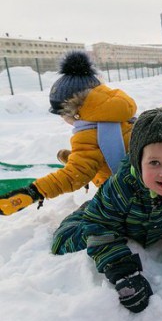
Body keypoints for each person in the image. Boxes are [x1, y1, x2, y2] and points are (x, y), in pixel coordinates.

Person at [51, 108, 162, 313]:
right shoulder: (122, 186)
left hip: (149, 221)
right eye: (154, 162)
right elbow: (100, 227)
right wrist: (123, 271)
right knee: (64, 242)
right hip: (112, 218)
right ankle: (89, 208)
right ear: (138, 161)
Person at [0, 51, 136, 216]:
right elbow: (104, 154)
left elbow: (75, 176)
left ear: (75, 111)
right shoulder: (119, 118)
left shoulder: (91, 132)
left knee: (81, 220)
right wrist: (74, 157)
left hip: (131, 199)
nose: (64, 119)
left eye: (63, 114)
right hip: (146, 183)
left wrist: (33, 192)